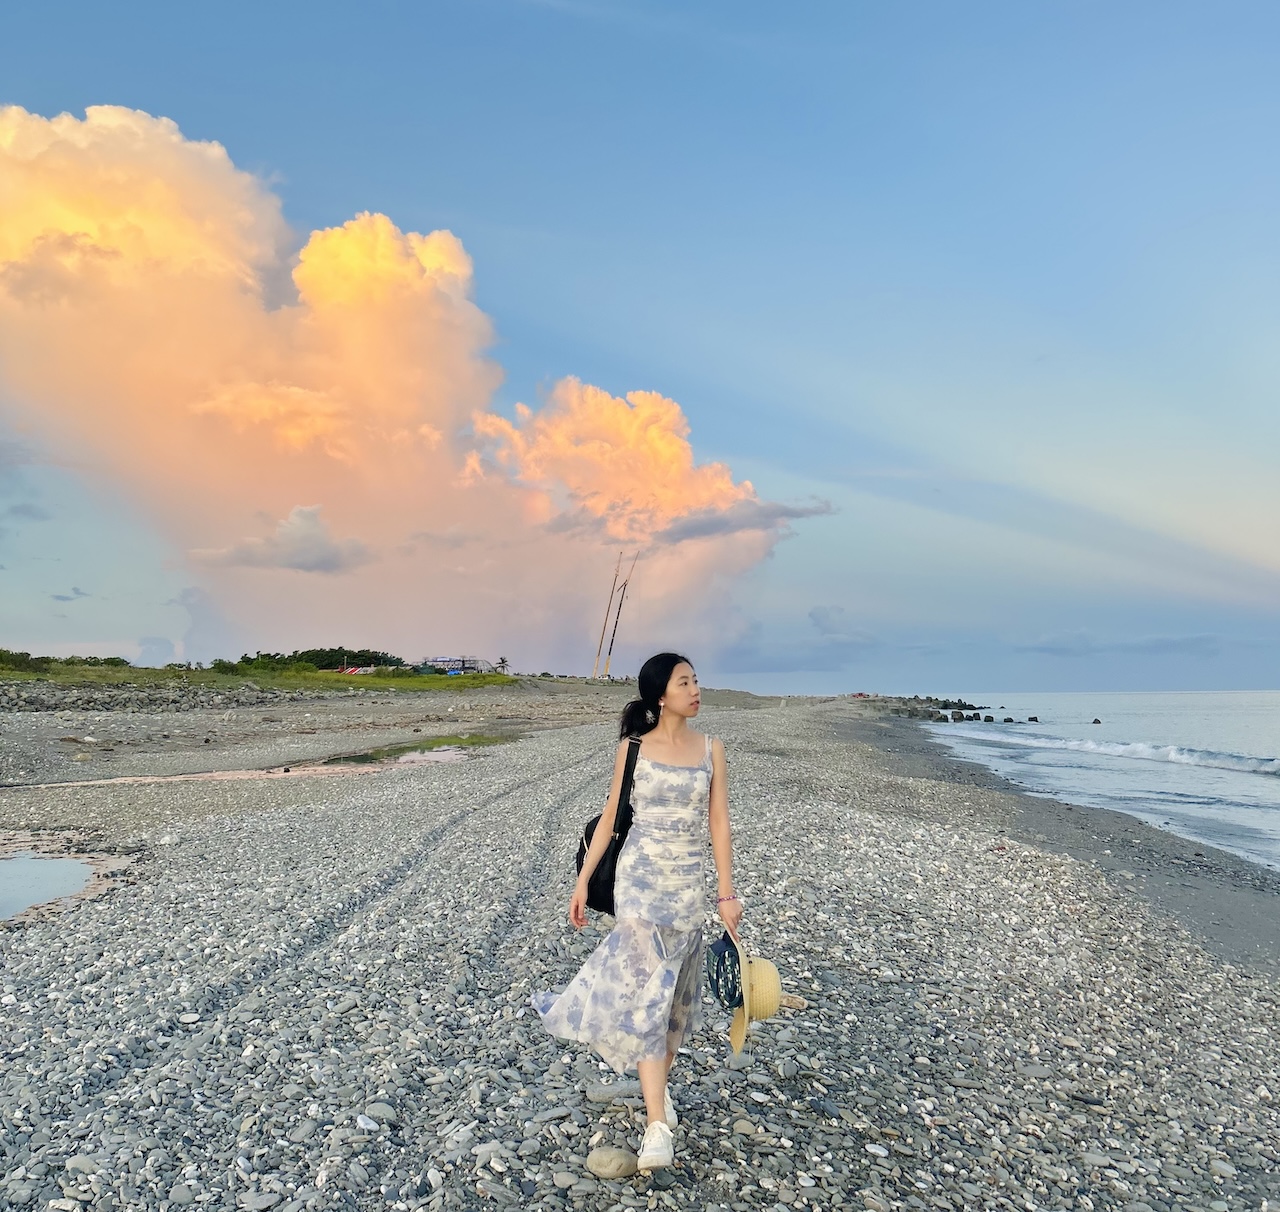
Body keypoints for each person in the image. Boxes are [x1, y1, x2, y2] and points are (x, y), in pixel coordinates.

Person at [529, 652, 743, 1171]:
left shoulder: (712, 748)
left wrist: (727, 893)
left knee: (674, 1005)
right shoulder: (633, 749)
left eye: (696, 679)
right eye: (684, 681)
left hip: (689, 887)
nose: (695, 689)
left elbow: (718, 823)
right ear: (659, 696)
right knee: (650, 997)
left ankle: (657, 1092)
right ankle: (656, 1128)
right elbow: (610, 819)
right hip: (642, 883)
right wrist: (582, 882)